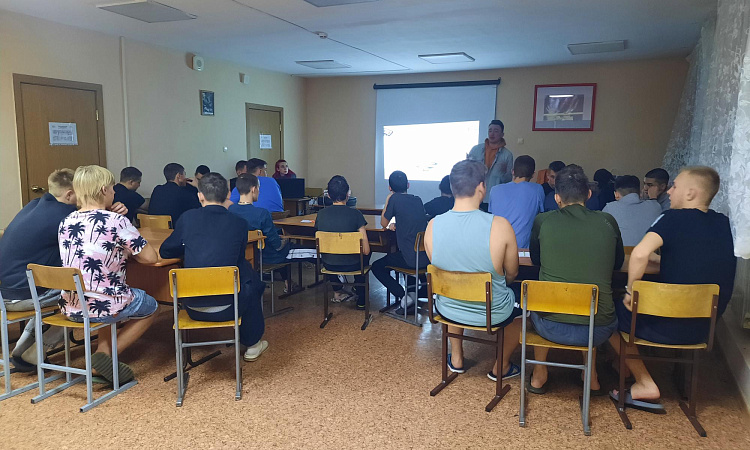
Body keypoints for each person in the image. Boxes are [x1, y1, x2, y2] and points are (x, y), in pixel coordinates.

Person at [609, 166, 736, 410]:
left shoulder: (672, 218)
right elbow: (699, 259)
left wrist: (630, 290)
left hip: (667, 325)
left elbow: (639, 254)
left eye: (675, 186)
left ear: (691, 193)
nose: (669, 191)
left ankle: (644, 381)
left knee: (608, 315)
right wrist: (664, 260)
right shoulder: (724, 224)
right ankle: (622, 364)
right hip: (704, 328)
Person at [528, 164, 624, 395]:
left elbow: (536, 259)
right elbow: (617, 263)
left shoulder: (543, 221)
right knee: (593, 304)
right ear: (588, 194)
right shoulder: (607, 221)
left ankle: (539, 374)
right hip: (597, 329)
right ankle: (590, 375)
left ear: (557, 197)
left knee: (539, 305)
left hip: (549, 325)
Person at [59, 165, 159, 383]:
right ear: (104, 190)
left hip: (73, 305)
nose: (115, 192)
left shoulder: (67, 221)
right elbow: (150, 258)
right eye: (113, 188)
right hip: (105, 303)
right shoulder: (116, 221)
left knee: (107, 296)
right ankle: (106, 357)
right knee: (151, 307)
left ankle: (101, 353)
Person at [424, 159, 522, 381]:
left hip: (447, 309)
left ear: (452, 188)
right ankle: (501, 366)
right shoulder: (500, 226)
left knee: (452, 288)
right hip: (493, 312)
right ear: (481, 187)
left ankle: (457, 358)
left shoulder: (433, 226)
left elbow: (441, 269)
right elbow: (512, 273)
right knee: (524, 307)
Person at [160, 172, 269, 362]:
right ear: (228, 194)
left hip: (191, 306)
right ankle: (252, 343)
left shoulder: (187, 218)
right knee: (251, 280)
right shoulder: (239, 224)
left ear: (200, 195)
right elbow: (237, 256)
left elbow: (166, 250)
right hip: (231, 306)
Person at [0, 169, 78, 370]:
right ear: (69, 194)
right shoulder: (67, 216)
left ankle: (22, 348)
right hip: (25, 296)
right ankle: (41, 348)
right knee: (89, 295)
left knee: (64, 289)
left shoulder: (32, 205)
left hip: (5, 293)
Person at [229, 174, 312, 293]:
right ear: (254, 189)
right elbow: (276, 244)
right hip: (269, 256)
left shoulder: (231, 210)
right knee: (314, 252)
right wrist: (284, 240)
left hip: (247, 257)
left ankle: (289, 283)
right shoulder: (262, 213)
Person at [371, 171, 429, 314]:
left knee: (377, 266)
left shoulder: (394, 199)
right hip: (425, 256)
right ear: (408, 185)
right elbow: (413, 221)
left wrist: (388, 200)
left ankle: (404, 297)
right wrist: (397, 225)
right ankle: (413, 295)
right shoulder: (417, 199)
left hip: (410, 259)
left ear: (389, 188)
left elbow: (383, 223)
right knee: (402, 254)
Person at [315, 175, 371, 309]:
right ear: (348, 194)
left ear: (328, 195)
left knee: (331, 253)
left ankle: (338, 289)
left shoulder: (321, 215)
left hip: (329, 265)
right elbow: (366, 250)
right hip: (353, 265)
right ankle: (361, 299)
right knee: (365, 254)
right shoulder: (356, 214)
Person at [488, 155, 545, 249]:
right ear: (533, 174)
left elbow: (491, 215)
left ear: (512, 171)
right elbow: (540, 214)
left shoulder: (494, 190)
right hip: (522, 250)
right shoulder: (537, 190)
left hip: (496, 247)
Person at [602, 175, 662, 246]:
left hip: (621, 252)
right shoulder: (655, 206)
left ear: (616, 194)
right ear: (639, 192)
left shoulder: (609, 208)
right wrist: (653, 199)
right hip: (648, 252)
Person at [467, 120, 514, 208]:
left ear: (502, 134)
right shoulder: (476, 150)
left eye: (496, 131)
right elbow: (467, 173)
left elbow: (508, 180)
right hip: (475, 194)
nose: (492, 134)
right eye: (490, 130)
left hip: (494, 197)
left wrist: (503, 173)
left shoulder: (507, 155)